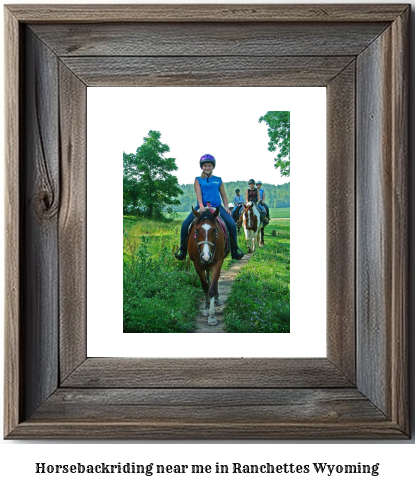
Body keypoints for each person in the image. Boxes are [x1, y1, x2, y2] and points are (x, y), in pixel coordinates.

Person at [174, 154, 244, 261]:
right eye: (205, 166)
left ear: (213, 167)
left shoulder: (218, 179)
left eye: (209, 165)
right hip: (201, 206)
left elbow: (223, 195)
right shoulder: (198, 179)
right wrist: (201, 205)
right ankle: (183, 250)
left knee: (231, 224)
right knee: (185, 225)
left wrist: (226, 207)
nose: (207, 167)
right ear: (202, 167)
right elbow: (198, 194)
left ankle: (235, 250)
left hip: (217, 207)